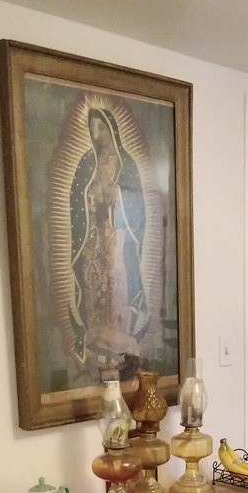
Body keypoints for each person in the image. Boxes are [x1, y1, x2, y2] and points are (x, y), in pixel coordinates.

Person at [67, 106, 151, 367]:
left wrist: (120, 195)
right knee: (94, 288)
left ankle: (119, 342)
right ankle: (96, 336)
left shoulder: (126, 165)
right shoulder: (86, 162)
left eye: (100, 127)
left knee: (117, 287)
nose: (96, 133)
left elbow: (138, 207)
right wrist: (91, 197)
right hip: (93, 237)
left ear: (111, 129)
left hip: (118, 236)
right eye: (92, 128)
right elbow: (76, 198)